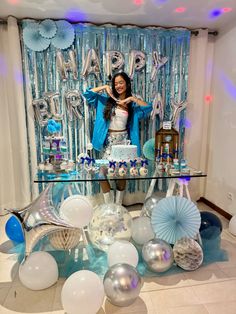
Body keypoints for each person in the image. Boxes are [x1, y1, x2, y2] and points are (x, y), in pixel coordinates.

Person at [83, 71, 152, 205]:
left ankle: (118, 205)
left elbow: (148, 107)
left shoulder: (132, 106)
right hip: (108, 142)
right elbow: (87, 94)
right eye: (115, 84)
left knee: (122, 173)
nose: (118, 86)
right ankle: (109, 206)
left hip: (124, 141)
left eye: (121, 82)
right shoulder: (105, 100)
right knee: (101, 173)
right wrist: (104, 87)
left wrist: (132, 99)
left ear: (127, 83)